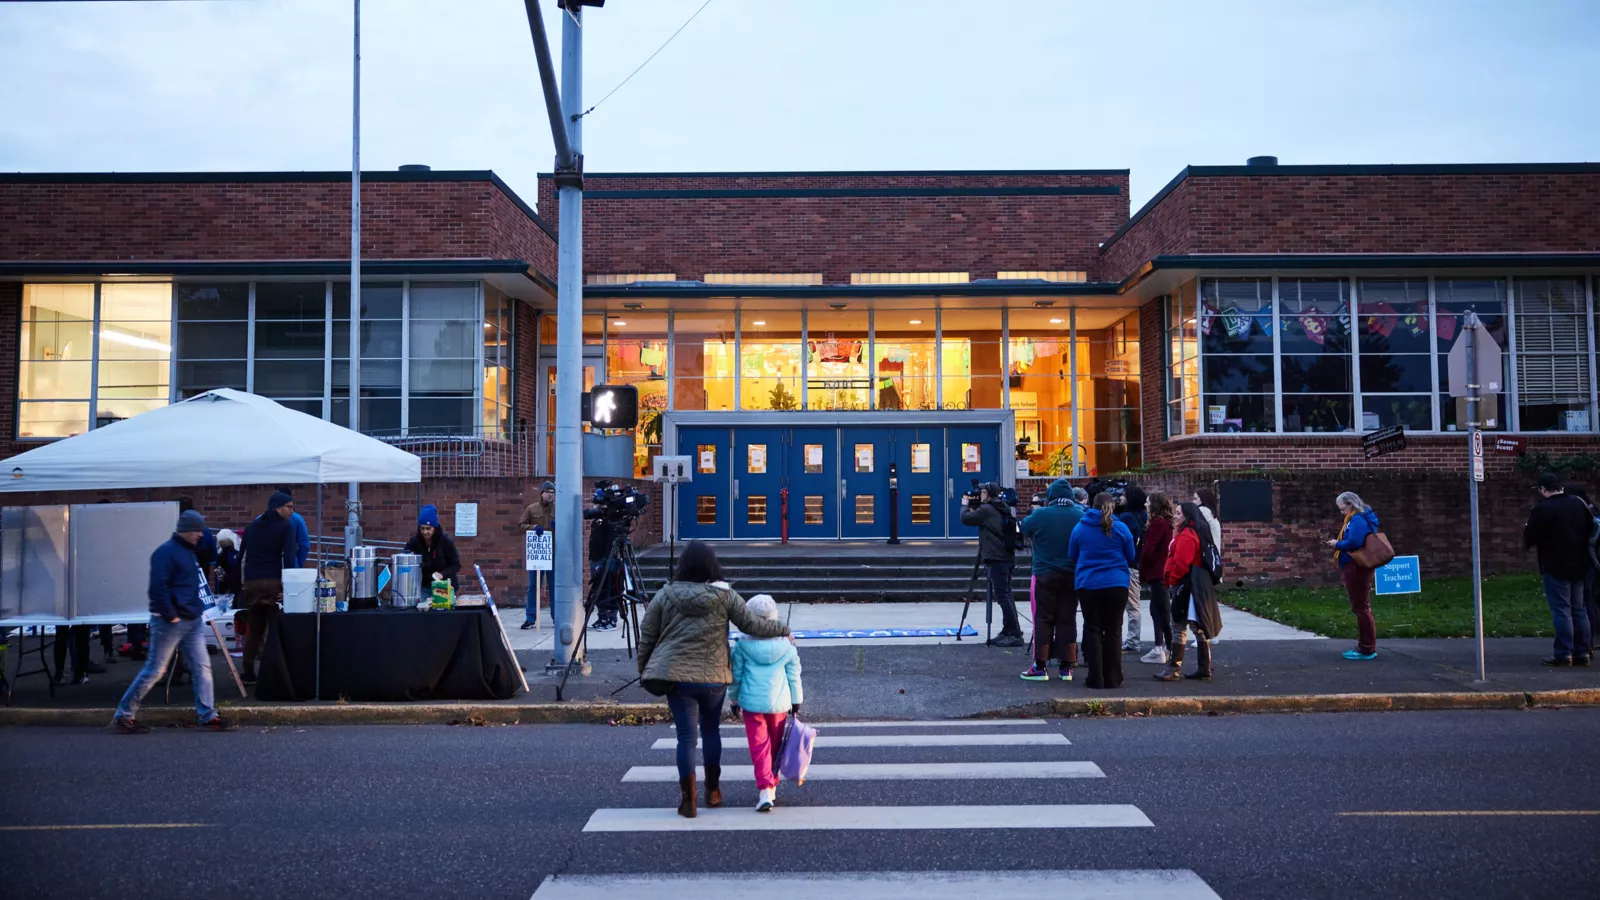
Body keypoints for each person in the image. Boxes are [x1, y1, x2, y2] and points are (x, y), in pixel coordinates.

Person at [638, 541, 792, 819]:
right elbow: (752, 625)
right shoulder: (726, 596)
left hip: (677, 676)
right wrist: (783, 629)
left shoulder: (666, 594)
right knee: (711, 732)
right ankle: (713, 791)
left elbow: (647, 633)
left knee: (686, 737)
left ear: (682, 565)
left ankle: (689, 801)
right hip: (714, 677)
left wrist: (644, 668)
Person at [111, 509, 236, 734]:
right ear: (186, 531)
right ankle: (124, 714)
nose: (201, 534)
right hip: (172, 621)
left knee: (201, 667)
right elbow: (158, 588)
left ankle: (208, 715)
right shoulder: (167, 553)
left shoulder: (185, 552)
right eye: (197, 530)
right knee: (156, 670)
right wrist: (171, 614)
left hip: (189, 619)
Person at [728, 594, 803, 812]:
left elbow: (737, 676)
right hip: (779, 704)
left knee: (759, 747)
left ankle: (765, 787)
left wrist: (734, 699)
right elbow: (793, 674)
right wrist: (796, 700)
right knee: (776, 746)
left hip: (752, 704)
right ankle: (772, 783)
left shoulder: (742, 646)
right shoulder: (786, 645)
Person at [1523, 472, 1594, 666]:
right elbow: (1591, 529)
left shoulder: (1542, 509)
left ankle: (1564, 653)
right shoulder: (1578, 503)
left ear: (1543, 490)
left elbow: (1529, 538)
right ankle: (1582, 652)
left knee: (1562, 610)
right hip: (1580, 564)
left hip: (1555, 565)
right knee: (1579, 610)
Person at [1068, 493, 1136, 690]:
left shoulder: (1080, 528)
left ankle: (1095, 677)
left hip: (1088, 584)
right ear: (1112, 506)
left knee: (1093, 629)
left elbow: (1072, 555)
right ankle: (1113, 677)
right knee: (1114, 630)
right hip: (1117, 583)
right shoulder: (1121, 528)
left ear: (1091, 505)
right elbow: (1131, 555)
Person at [1020, 478, 1083, 682]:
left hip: (1044, 573)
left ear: (1051, 497)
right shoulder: (1080, 515)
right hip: (1071, 574)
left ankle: (1040, 666)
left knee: (1043, 619)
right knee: (1067, 619)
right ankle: (1067, 667)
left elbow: (1023, 529)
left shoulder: (1040, 514)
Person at [1156, 501, 1223, 682]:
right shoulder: (1199, 533)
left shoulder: (1187, 536)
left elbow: (1180, 564)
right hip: (1196, 586)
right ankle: (1204, 668)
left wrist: (1171, 581)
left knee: (1178, 625)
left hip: (1183, 586)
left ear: (1187, 516)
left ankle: (1173, 668)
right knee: (1197, 625)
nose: (1175, 515)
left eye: (1178, 513)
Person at [238, 490, 299, 684]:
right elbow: (289, 557)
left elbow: (241, 557)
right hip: (272, 582)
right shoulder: (286, 527)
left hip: (251, 583)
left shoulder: (251, 528)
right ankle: (274, 672)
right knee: (275, 628)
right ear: (278, 507)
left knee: (255, 629)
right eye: (289, 507)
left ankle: (248, 670)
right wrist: (289, 588)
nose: (292, 511)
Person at [960, 482, 1024, 647]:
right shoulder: (1002, 507)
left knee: (1003, 596)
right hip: (1006, 558)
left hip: (997, 558)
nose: (980, 494)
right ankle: (1008, 630)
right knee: (1006, 595)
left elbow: (966, 519)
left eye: (982, 492)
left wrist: (964, 505)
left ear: (988, 494)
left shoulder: (987, 510)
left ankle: (1015, 634)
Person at [1327, 491, 1381, 661]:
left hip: (1356, 566)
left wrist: (1337, 544)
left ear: (1350, 504)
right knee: (1361, 607)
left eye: (1342, 508)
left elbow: (1355, 543)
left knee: (1361, 608)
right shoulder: (1362, 517)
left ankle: (1366, 648)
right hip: (1357, 566)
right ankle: (1365, 646)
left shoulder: (1357, 519)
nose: (1341, 512)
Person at [1139, 493, 1176, 665]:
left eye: (1148, 501)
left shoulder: (1157, 524)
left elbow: (1148, 551)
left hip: (1157, 572)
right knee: (1159, 610)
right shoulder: (1167, 524)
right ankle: (1163, 646)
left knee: (1160, 611)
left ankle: (1166, 647)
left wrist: (1142, 570)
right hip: (1162, 572)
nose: (1145, 504)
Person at [517, 481, 556, 629]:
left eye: (552, 492)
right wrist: (534, 527)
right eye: (547, 492)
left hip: (552, 553)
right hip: (537, 554)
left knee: (554, 586)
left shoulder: (558, 509)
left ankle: (556, 617)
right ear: (541, 493)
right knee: (534, 586)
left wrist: (558, 525)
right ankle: (531, 618)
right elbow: (521, 526)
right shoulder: (532, 509)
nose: (550, 495)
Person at [1566, 484, 1600, 649]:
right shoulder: (1591, 510)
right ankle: (1591, 638)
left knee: (1586, 601)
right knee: (1590, 600)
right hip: (1592, 562)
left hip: (1587, 562)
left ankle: (1589, 640)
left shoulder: (1583, 512)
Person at [1116, 485, 1149, 653]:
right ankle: (1133, 639)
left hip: (1127, 564)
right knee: (1133, 604)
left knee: (1131, 605)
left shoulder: (1126, 518)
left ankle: (1133, 641)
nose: (1120, 498)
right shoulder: (1144, 516)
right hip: (1138, 563)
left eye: (1123, 495)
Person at [406, 505, 462, 593]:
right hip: (424, 586)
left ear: (434, 528)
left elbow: (456, 565)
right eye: (422, 528)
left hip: (443, 585)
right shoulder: (414, 542)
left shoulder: (445, 542)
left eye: (428, 529)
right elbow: (405, 556)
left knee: (441, 606)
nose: (425, 532)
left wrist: (442, 574)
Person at [275, 487, 311, 568]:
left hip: (268, 565)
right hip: (291, 563)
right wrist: (298, 563)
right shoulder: (297, 519)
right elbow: (304, 545)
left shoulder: (261, 518)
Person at [215, 528, 243, 597]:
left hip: (238, 581)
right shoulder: (222, 552)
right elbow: (219, 568)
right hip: (227, 580)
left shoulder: (239, 548)